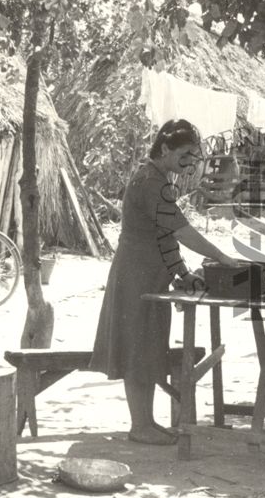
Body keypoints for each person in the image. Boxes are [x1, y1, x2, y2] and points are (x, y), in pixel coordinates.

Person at [90, 119, 239, 446]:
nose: (188, 161)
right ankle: (140, 425)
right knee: (136, 352)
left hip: (150, 275)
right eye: (185, 154)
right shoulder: (150, 182)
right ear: (166, 148)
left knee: (146, 350)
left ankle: (146, 422)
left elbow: (166, 238)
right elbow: (183, 232)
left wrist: (184, 274)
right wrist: (225, 258)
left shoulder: (158, 179)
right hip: (137, 276)